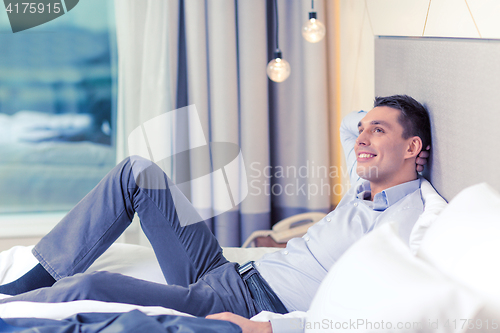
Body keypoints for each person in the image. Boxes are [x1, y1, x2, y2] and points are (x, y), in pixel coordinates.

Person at [0, 95, 431, 333]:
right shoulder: (364, 185)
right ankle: (34, 278)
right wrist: (379, 122)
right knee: (139, 172)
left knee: (92, 286)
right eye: (364, 132)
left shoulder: (405, 224)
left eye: (378, 131)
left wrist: (271, 329)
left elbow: (366, 316)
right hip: (229, 272)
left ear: (413, 149)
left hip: (244, 302)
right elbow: (349, 123)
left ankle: (10, 311)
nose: (360, 139)